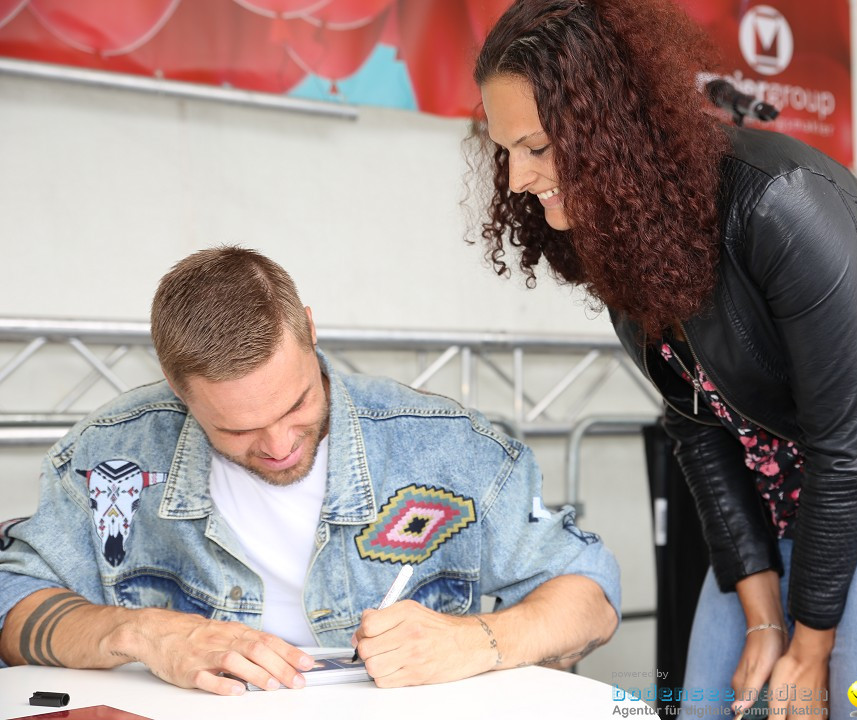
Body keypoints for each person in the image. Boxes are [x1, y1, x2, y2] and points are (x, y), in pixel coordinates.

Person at [469, 0, 857, 715]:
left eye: (535, 147)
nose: (515, 179)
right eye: (505, 150)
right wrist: (764, 619)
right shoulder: (622, 228)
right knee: (711, 704)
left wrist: (809, 650)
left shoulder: (781, 201)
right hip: (791, 487)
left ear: (608, 130)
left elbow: (848, 443)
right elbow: (695, 423)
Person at [0, 247, 620, 695]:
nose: (277, 445)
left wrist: (476, 641)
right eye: (236, 430)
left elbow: (590, 591)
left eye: (296, 404)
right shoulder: (115, 455)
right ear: (177, 389)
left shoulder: (444, 448)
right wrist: (140, 632)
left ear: (312, 331)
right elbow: (11, 606)